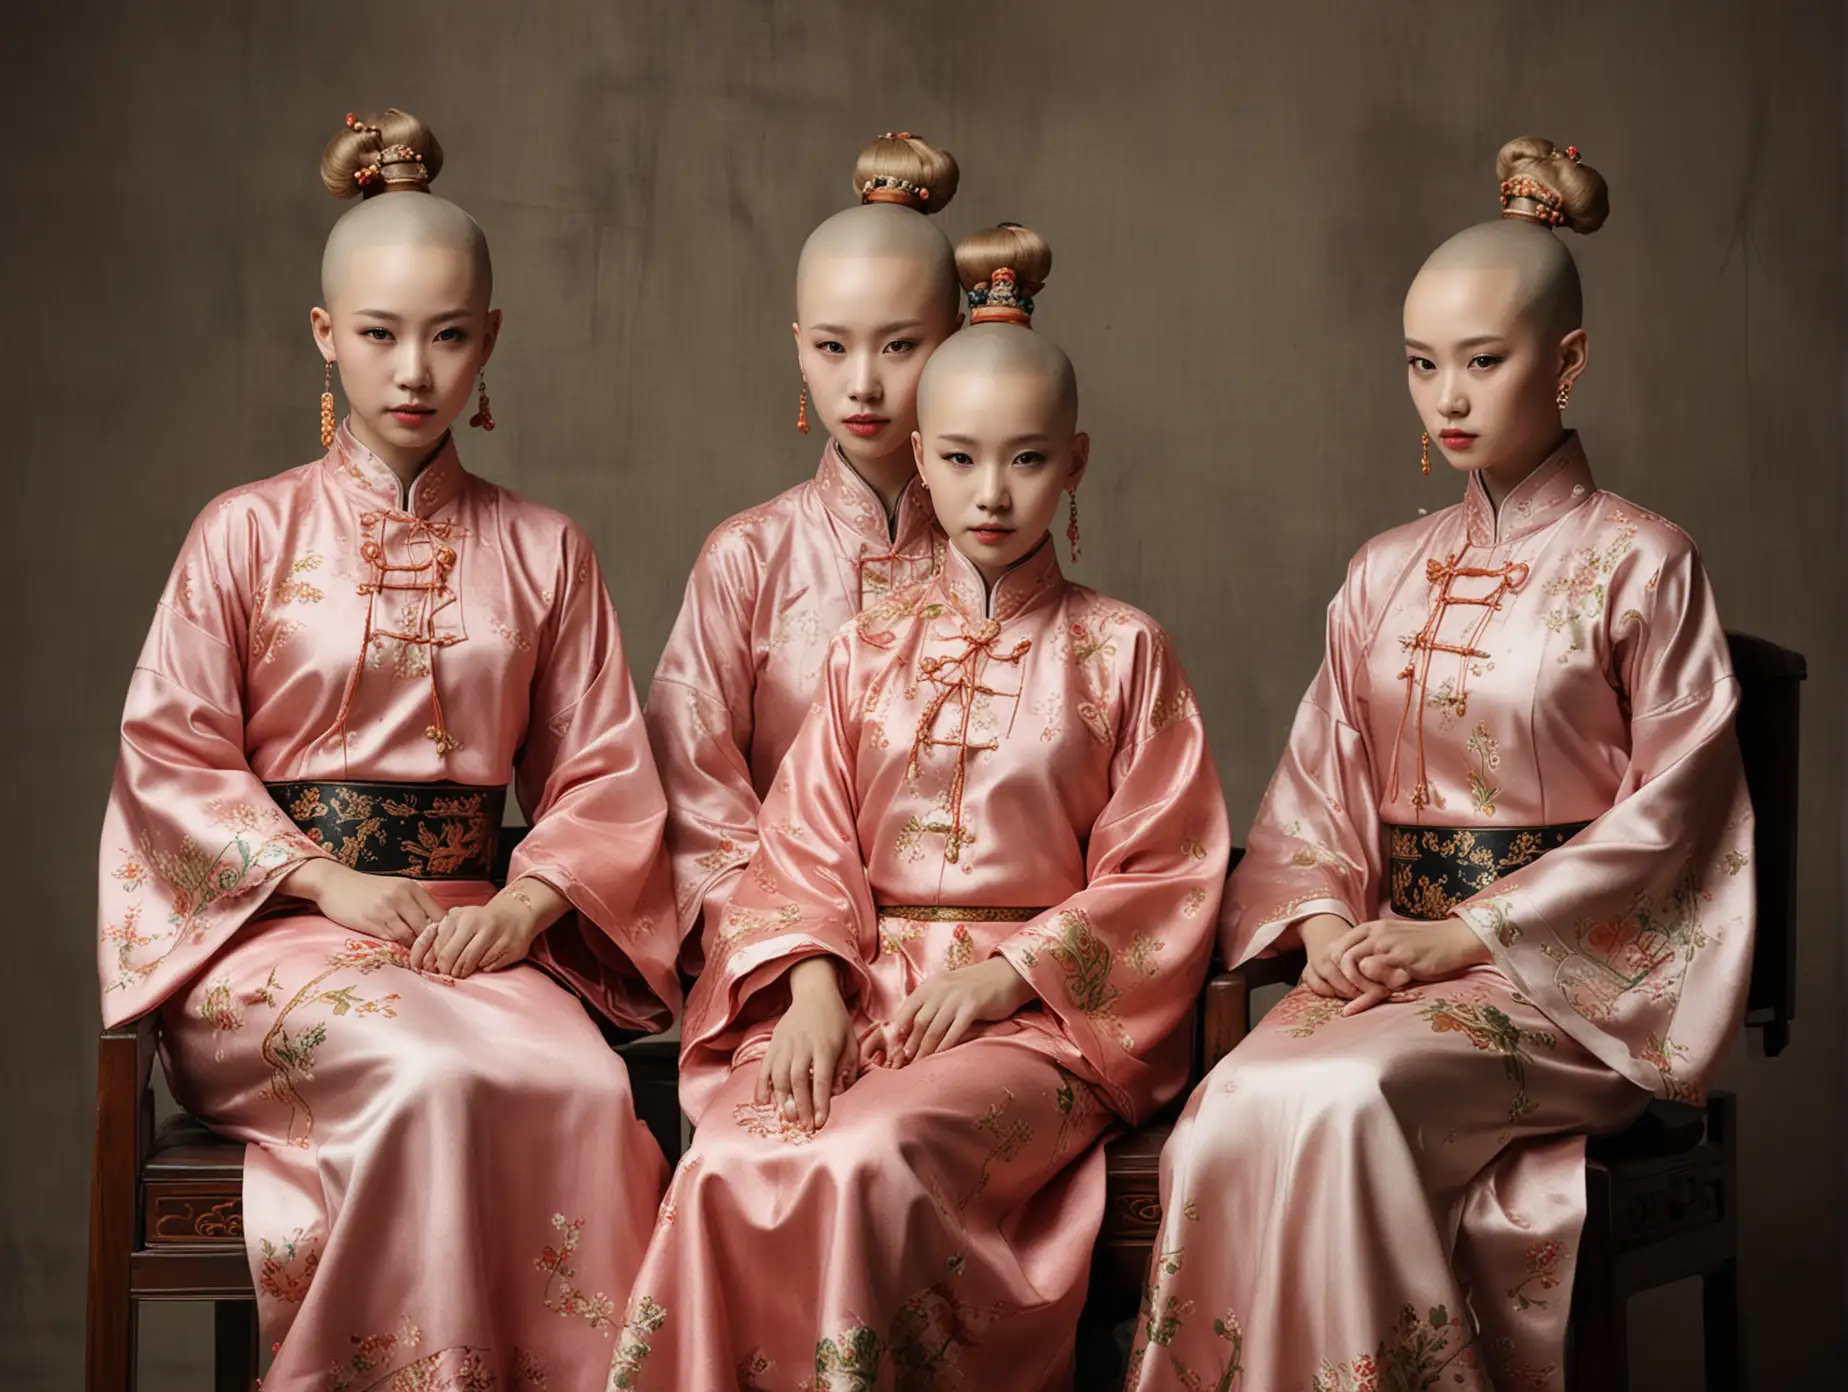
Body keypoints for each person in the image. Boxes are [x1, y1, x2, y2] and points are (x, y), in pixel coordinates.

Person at [1127, 138, 1754, 1391]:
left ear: (1567, 361)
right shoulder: (1382, 570)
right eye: (1422, 366)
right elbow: (1319, 787)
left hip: (1562, 984)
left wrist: (1464, 939)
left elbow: (1675, 815)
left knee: (1350, 1103)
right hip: (1385, 964)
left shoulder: (1645, 563)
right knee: (1229, 1117)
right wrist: (1320, 932)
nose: (1448, 398)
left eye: (1484, 360)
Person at [96, 108, 680, 1391]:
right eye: (378, 333)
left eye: (449, 333)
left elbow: (602, 776)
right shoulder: (242, 534)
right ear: (325, 336)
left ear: (492, 340)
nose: (414, 368)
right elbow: (172, 758)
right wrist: (329, 883)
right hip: (273, 941)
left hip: (476, 939)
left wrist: (529, 902)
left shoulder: (547, 551)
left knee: (584, 1091)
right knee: (426, 1078)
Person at [610, 224, 1229, 1390]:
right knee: (738, 1150)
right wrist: (809, 993)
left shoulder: (1125, 650)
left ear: (1076, 462)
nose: (990, 495)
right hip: (857, 985)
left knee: (872, 1148)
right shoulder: (863, 650)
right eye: (958, 461)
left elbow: (1166, 874)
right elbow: (800, 849)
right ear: (927, 458)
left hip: (1037, 1017)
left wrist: (1006, 978)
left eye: (1027, 463)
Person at [647, 132, 965, 979]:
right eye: (833, 347)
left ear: (958, 337)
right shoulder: (747, 559)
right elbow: (696, 801)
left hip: (971, 963)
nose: (862, 384)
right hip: (786, 962)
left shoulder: (1003, 557)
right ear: (798, 347)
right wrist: (802, 959)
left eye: (899, 346)